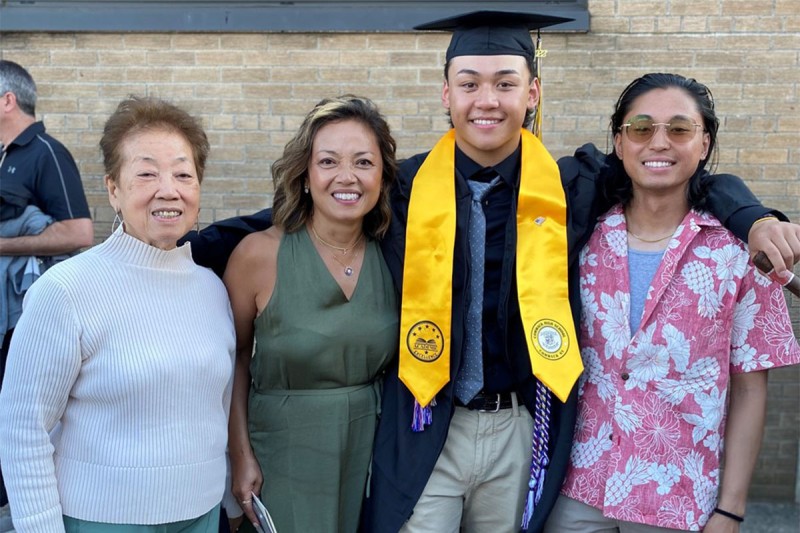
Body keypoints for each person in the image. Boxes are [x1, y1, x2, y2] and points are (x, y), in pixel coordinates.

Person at [183, 11, 800, 533]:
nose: (487, 99)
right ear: (445, 93)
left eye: (506, 83)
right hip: (424, 419)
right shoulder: (401, 188)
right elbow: (293, 214)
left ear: (531, 94)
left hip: (520, 428)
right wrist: (176, 246)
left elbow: (675, 168)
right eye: (469, 82)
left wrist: (750, 218)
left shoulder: (569, 187)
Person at [543, 73, 800, 533]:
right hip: (575, 489)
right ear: (619, 144)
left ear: (704, 144)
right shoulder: (581, 236)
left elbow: (748, 388)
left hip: (676, 498)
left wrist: (731, 510)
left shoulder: (740, 252)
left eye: (679, 129)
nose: (658, 142)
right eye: (641, 128)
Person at [0, 96, 236, 533]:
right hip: (99, 520)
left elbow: (214, 410)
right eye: (146, 173)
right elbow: (22, 429)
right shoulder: (65, 290)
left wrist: (228, 502)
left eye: (184, 174)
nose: (169, 189)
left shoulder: (212, 289)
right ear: (113, 189)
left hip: (200, 516)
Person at [224, 95, 398, 533]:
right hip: (283, 448)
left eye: (363, 162)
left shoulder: (395, 256)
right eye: (328, 162)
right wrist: (240, 455)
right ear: (304, 174)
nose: (347, 177)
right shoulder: (259, 255)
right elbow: (233, 361)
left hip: (372, 450)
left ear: (382, 175)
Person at [0, 58, 93, 516]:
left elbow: (79, 234)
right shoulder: (3, 155)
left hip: (22, 313)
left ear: (7, 100)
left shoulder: (46, 152)